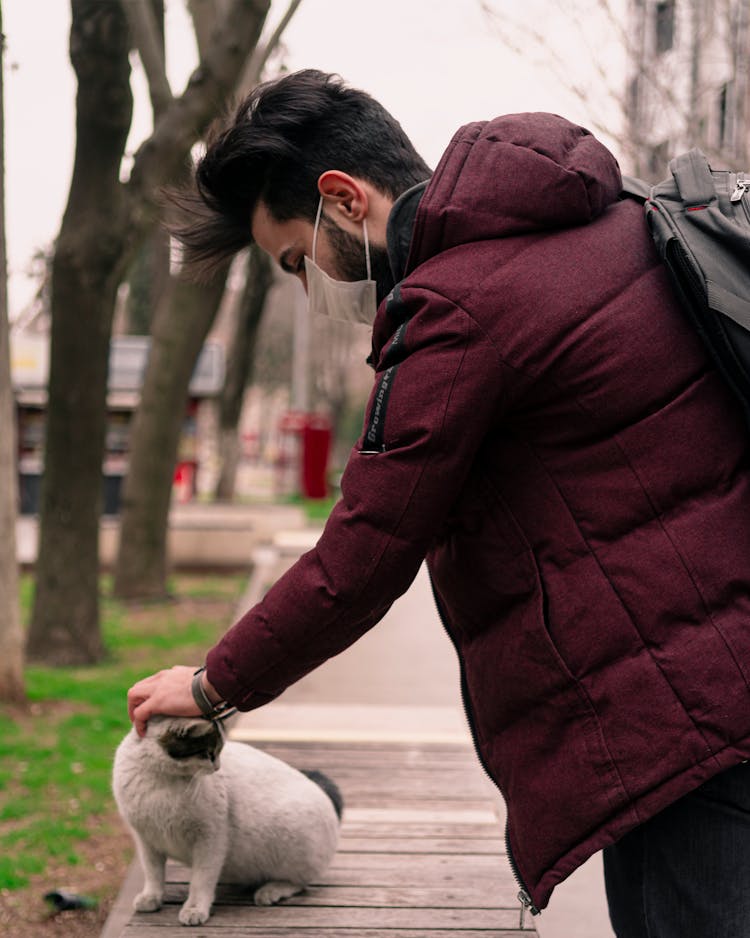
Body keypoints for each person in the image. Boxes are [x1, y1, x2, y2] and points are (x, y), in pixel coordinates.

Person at [127, 69, 750, 936]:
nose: (313, 290)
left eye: (299, 262)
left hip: (689, 729)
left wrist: (210, 685)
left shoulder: (457, 310)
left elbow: (362, 558)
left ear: (342, 198)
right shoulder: (621, 220)